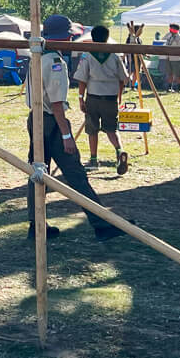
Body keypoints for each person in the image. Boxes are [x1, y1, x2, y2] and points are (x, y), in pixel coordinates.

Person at [25, 14, 126, 241]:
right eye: (70, 36)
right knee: (76, 174)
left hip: (37, 119)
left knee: (37, 172)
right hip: (52, 122)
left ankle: (36, 224)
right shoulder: (54, 62)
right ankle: (101, 224)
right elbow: (57, 103)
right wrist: (67, 134)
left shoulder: (36, 56)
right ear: (65, 36)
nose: (72, 39)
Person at [75, 25, 130, 173]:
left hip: (93, 97)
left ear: (92, 38)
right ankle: (119, 151)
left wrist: (81, 98)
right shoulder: (115, 55)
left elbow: (82, 79)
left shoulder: (87, 55)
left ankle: (93, 160)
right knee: (112, 128)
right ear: (107, 37)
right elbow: (123, 79)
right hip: (110, 97)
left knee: (92, 129)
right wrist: (119, 96)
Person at [163, 24, 180, 91]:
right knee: (170, 74)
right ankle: (169, 87)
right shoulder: (169, 37)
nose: (170, 30)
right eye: (170, 29)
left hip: (176, 58)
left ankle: (179, 88)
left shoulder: (179, 38)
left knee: (177, 75)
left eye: (171, 29)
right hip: (168, 58)